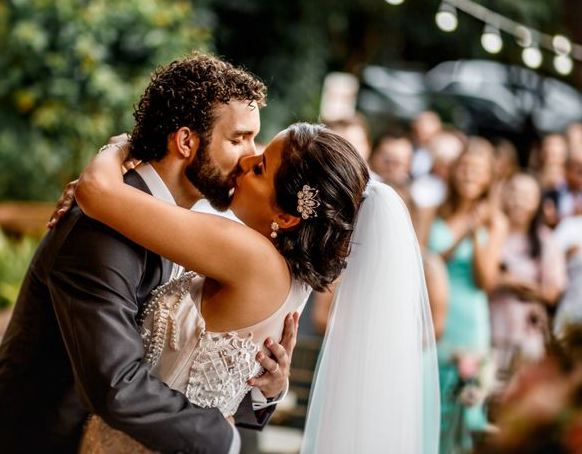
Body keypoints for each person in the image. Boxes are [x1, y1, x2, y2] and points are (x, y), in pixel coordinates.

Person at [0, 54, 295, 454]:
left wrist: (265, 392)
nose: (248, 156)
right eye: (238, 138)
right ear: (187, 141)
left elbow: (184, 360)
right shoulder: (99, 231)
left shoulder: (170, 220)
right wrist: (221, 440)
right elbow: (116, 385)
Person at [73, 122, 440, 453]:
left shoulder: (250, 255)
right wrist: (270, 390)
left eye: (261, 167)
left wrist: (122, 146)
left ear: (286, 216)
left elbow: (96, 192)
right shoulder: (295, 276)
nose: (246, 162)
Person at [426, 137, 507, 453]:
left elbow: (485, 280)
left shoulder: (495, 222)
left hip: (469, 318)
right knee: (430, 398)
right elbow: (427, 262)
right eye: (464, 168)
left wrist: (477, 234)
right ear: (453, 171)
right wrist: (463, 227)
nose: (470, 176)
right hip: (434, 313)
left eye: (478, 171)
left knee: (462, 407)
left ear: (488, 178)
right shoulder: (432, 212)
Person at [489, 173, 566, 371]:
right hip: (489, 331)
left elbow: (553, 293)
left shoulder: (546, 241)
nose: (518, 201)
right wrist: (502, 281)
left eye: (526, 196)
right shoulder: (490, 234)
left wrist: (519, 284)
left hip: (527, 336)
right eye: (513, 193)